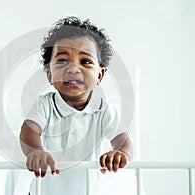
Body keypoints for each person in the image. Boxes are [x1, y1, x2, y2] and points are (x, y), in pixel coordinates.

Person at [19, 16, 133, 195]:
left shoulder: (104, 111)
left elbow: (123, 141)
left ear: (100, 75)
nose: (73, 68)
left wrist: (120, 153)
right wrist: (36, 152)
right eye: (62, 61)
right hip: (43, 192)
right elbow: (29, 131)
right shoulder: (45, 105)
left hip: (86, 191)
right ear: (49, 74)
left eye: (85, 61)